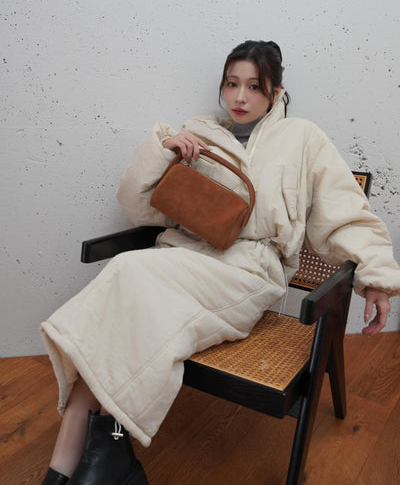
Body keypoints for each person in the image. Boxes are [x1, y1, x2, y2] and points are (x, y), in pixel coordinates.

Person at [40, 40, 400, 485]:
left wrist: (377, 278)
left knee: (128, 274)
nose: (240, 97)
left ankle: (87, 456)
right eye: (232, 84)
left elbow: (345, 213)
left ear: (276, 92)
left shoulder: (303, 139)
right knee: (125, 298)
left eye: (254, 86)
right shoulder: (200, 134)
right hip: (182, 258)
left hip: (246, 273)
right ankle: (84, 458)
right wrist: (164, 149)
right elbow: (138, 208)